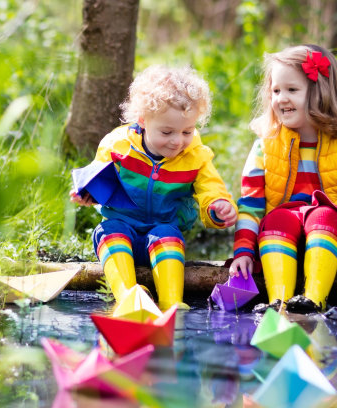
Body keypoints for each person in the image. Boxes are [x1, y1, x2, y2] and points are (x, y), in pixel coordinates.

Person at [229, 44, 337, 313]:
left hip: (332, 240)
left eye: (292, 90)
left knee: (324, 214)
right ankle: (280, 301)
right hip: (281, 239)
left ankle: (314, 300)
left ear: (319, 92)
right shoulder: (265, 146)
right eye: (276, 91)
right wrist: (243, 252)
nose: (281, 98)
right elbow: (250, 207)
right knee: (276, 217)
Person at [71, 65, 238, 311]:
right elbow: (98, 178)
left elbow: (211, 189)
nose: (177, 141)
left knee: (167, 234)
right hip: (122, 228)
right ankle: (127, 297)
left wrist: (217, 207)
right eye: (167, 131)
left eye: (187, 131)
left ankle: (171, 302)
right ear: (142, 120)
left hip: (163, 234)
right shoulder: (118, 145)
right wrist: (87, 193)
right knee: (107, 231)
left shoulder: (196, 157)